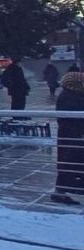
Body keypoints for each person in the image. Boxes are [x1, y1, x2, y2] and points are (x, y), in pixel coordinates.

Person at [52, 70, 84, 204]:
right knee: (71, 163)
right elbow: (75, 117)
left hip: (73, 135)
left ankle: (60, 191)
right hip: (74, 136)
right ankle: (60, 191)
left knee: (70, 163)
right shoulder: (71, 96)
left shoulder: (73, 94)